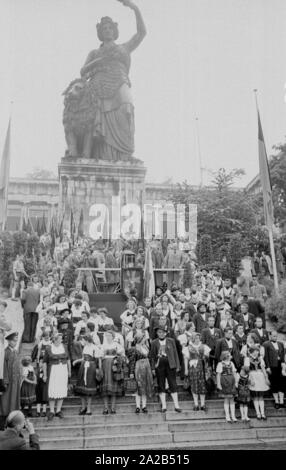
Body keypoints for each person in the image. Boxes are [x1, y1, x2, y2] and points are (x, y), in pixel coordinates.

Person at [77, 0, 146, 161]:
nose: (107, 30)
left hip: (120, 80)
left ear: (115, 31)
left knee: (127, 107)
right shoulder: (94, 53)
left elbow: (141, 33)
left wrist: (135, 8)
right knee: (98, 119)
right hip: (99, 85)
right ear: (100, 32)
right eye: (104, 28)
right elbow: (83, 71)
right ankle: (102, 154)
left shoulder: (124, 48)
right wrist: (99, 62)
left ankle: (126, 152)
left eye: (110, 28)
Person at [150, 325, 181, 413]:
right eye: (159, 332)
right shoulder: (154, 342)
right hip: (159, 365)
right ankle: (163, 406)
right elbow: (152, 357)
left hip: (170, 365)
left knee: (173, 384)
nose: (161, 334)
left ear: (166, 333)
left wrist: (177, 365)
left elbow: (175, 353)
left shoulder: (171, 341)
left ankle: (176, 405)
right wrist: (152, 368)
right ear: (157, 333)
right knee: (161, 384)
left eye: (163, 332)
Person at [43, 333, 71, 421]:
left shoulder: (65, 347)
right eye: (59, 338)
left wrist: (69, 371)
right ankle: (51, 410)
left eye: (61, 338)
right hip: (53, 371)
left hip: (63, 371)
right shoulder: (48, 348)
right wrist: (45, 374)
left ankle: (58, 410)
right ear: (54, 339)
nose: (61, 340)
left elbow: (68, 360)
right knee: (52, 389)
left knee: (61, 389)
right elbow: (44, 362)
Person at [74, 335, 103, 415]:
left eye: (83, 340)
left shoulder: (95, 348)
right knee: (81, 389)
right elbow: (83, 358)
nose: (83, 342)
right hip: (83, 367)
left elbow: (99, 359)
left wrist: (100, 370)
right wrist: (76, 361)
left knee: (89, 389)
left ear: (87, 340)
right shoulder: (85, 347)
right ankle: (83, 407)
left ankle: (89, 409)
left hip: (91, 368)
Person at [183, 333, 210, 411]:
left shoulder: (204, 346)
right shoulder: (188, 348)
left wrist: (206, 356)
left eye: (198, 338)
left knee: (202, 385)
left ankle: (202, 404)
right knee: (194, 385)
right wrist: (186, 369)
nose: (197, 339)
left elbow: (207, 358)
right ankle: (196, 404)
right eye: (196, 338)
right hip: (193, 368)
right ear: (192, 339)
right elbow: (186, 359)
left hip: (202, 368)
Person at [128, 330, 153, 413]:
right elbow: (132, 361)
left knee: (145, 386)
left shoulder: (146, 347)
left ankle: (144, 406)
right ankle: (138, 406)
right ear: (139, 339)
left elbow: (149, 358)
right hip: (138, 367)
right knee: (138, 387)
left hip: (146, 367)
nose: (144, 340)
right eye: (143, 338)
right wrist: (131, 372)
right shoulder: (134, 349)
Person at [0, 332, 21, 430]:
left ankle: (13, 421)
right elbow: (3, 368)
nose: (15, 342)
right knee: (6, 402)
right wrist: (5, 381)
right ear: (8, 341)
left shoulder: (16, 352)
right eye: (13, 340)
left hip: (15, 382)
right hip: (8, 382)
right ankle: (4, 422)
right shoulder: (6, 352)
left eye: (16, 340)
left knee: (14, 402)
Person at [101, 329, 125, 414]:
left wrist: (117, 359)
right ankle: (106, 408)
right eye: (106, 336)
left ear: (113, 336)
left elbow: (122, 355)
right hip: (105, 366)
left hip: (114, 366)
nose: (108, 337)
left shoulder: (116, 345)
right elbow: (101, 356)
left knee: (114, 386)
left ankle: (113, 407)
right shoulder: (103, 345)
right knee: (105, 387)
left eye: (109, 336)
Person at [263, 330, 285, 409]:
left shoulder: (281, 344)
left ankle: (282, 401)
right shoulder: (266, 344)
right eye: (273, 336)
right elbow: (266, 357)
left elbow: (282, 355)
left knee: (281, 384)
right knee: (274, 383)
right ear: (270, 336)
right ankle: (276, 401)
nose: (275, 337)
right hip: (272, 366)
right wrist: (267, 367)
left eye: (276, 336)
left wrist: (283, 365)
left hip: (280, 366)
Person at [246, 345, 269, 420]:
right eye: (255, 351)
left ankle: (263, 413)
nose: (257, 352)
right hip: (253, 377)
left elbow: (263, 369)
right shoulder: (247, 359)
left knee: (261, 396)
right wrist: (250, 379)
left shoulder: (260, 359)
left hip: (260, 377)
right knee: (255, 396)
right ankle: (258, 413)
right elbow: (247, 370)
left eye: (257, 351)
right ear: (252, 351)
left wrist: (266, 378)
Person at [216, 351, 238, 423]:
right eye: (228, 355)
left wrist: (236, 382)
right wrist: (218, 384)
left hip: (231, 381)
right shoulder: (220, 364)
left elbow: (234, 373)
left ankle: (233, 415)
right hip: (224, 381)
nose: (230, 357)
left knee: (232, 399)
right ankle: (227, 416)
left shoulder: (231, 363)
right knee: (226, 399)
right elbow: (218, 374)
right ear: (225, 357)